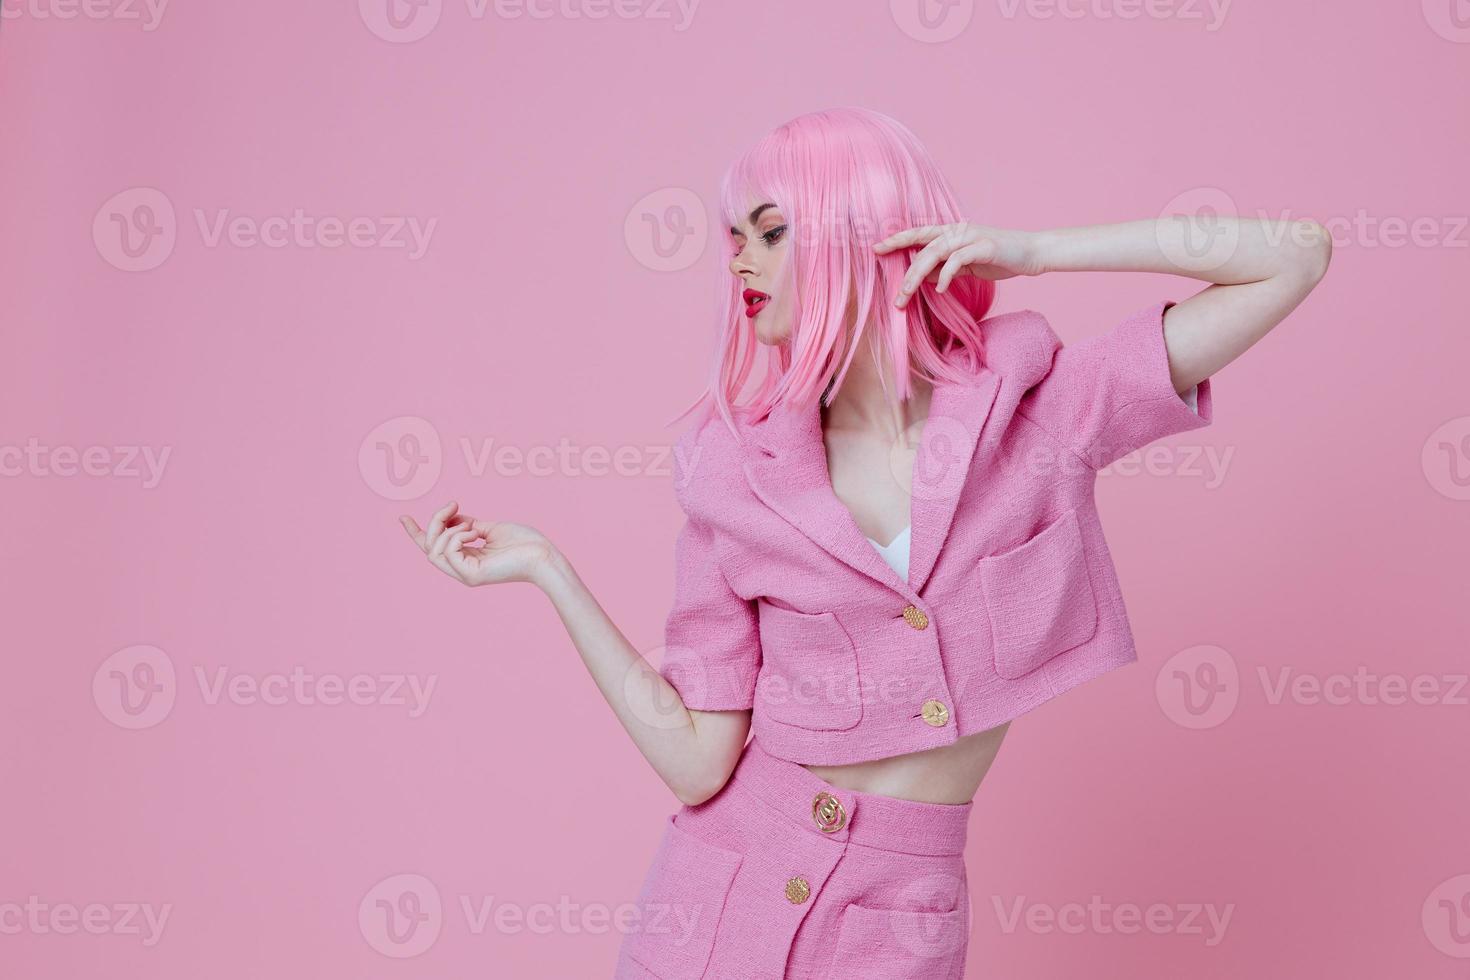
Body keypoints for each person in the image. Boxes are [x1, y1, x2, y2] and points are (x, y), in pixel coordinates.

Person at [399, 107, 1331, 978]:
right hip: (719, 896)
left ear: (861, 237)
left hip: (903, 913)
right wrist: (548, 572)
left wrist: (1037, 252)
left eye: (770, 232)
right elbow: (695, 760)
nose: (740, 263)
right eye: (734, 241)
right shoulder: (731, 472)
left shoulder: (1040, 415)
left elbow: (1293, 258)